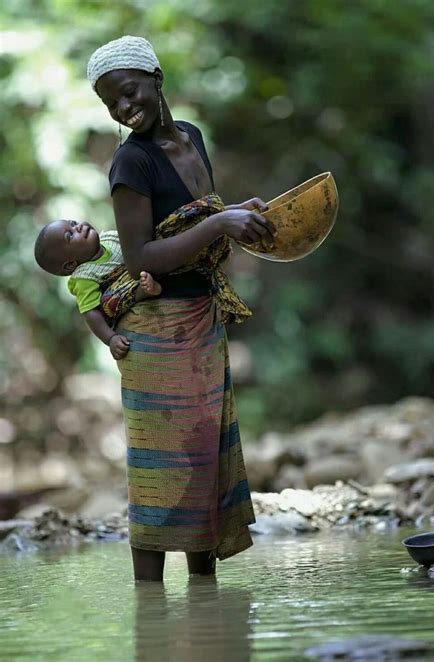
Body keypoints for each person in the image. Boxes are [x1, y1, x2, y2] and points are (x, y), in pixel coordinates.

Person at [86, 35, 275, 581]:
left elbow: (193, 216)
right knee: (162, 476)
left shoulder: (191, 136)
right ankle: (150, 611)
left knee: (204, 467)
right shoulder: (130, 163)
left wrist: (237, 212)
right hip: (156, 332)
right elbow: (145, 255)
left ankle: (202, 608)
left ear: (155, 79)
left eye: (128, 92)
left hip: (202, 320)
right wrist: (221, 223)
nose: (124, 108)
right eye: (111, 104)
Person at [34, 219, 162, 359]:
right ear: (70, 264)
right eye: (70, 235)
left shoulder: (109, 238)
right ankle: (144, 291)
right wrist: (110, 338)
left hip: (140, 268)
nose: (78, 227)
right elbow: (90, 312)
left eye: (73, 223)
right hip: (126, 292)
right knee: (110, 300)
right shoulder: (84, 277)